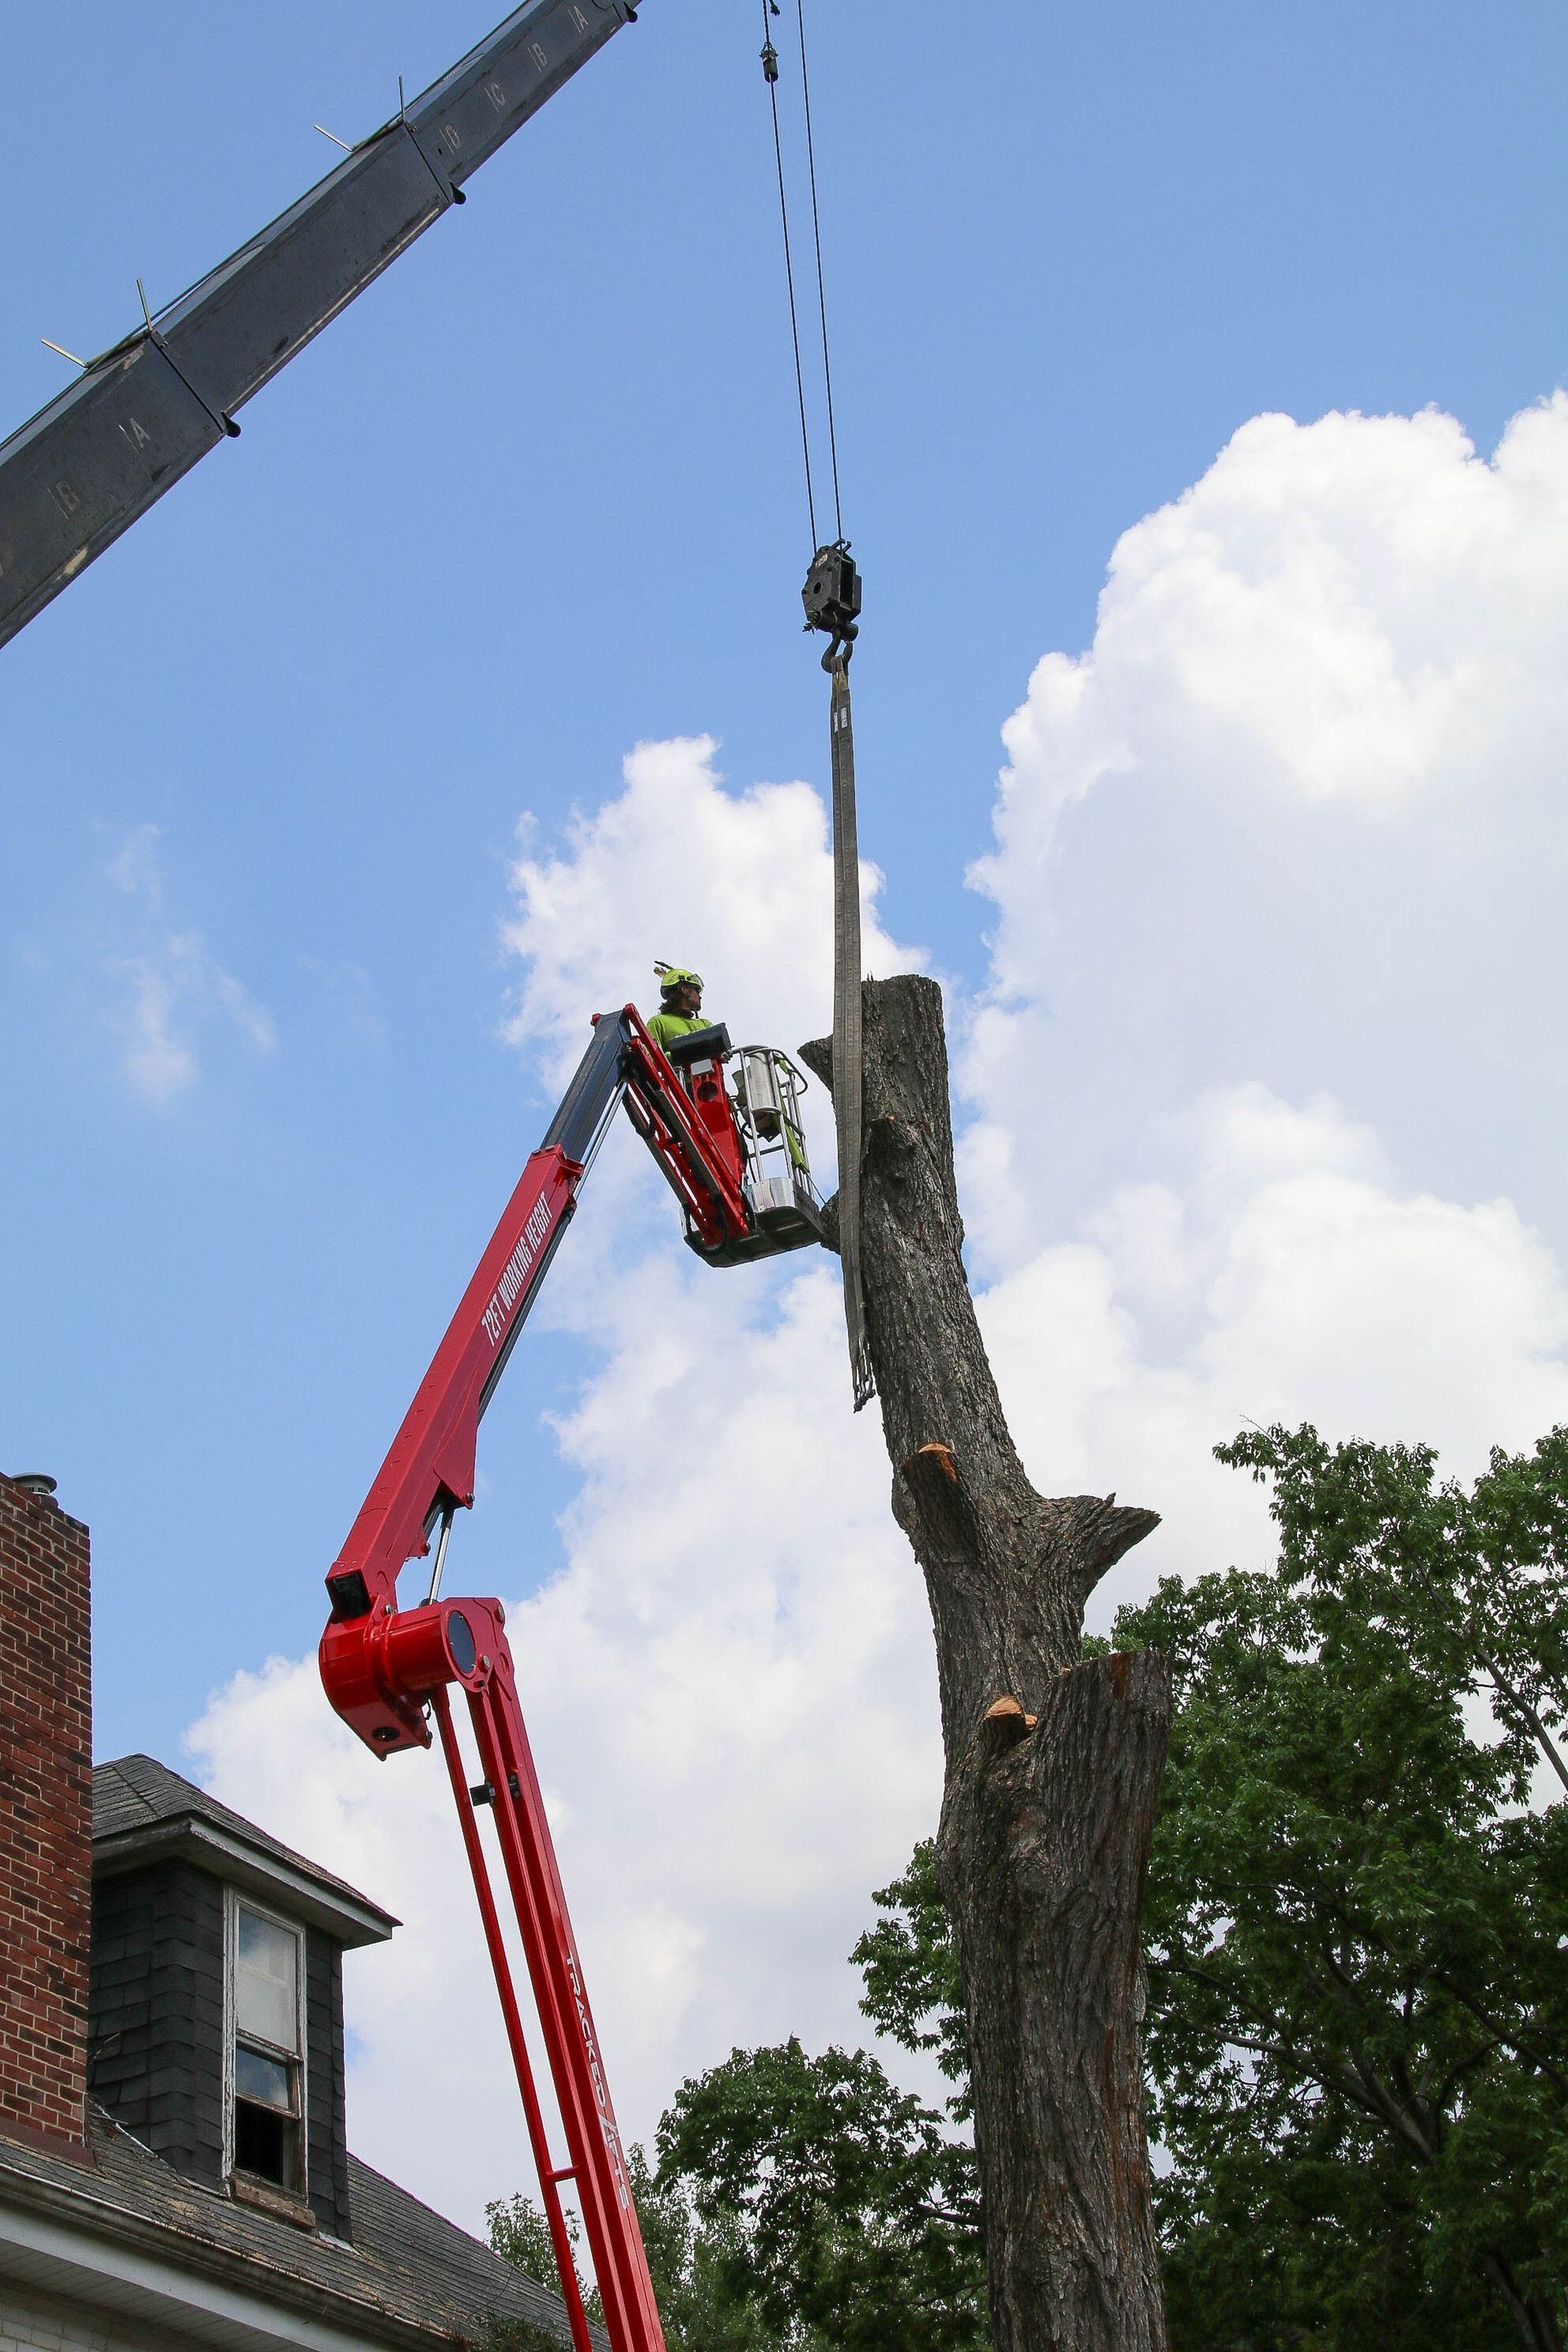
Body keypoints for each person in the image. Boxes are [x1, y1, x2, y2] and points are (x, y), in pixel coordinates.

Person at [646, 964, 713, 1054]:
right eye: (696, 990)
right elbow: (651, 1058)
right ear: (684, 989)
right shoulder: (658, 1022)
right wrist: (680, 1054)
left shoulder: (705, 1025)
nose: (700, 997)